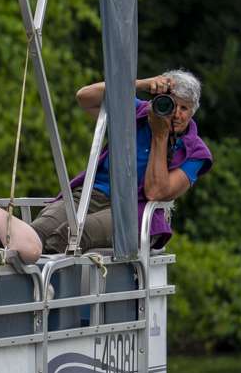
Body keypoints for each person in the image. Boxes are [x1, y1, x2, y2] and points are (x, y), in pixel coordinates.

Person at [31, 70, 212, 252]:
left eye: (184, 108)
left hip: (135, 212)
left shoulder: (196, 152)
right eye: (171, 105)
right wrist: (142, 84)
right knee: (35, 232)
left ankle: (43, 279)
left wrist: (160, 135)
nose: (176, 114)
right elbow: (84, 97)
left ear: (193, 111)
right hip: (91, 193)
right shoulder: (137, 111)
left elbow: (155, 192)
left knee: (71, 234)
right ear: (157, 100)